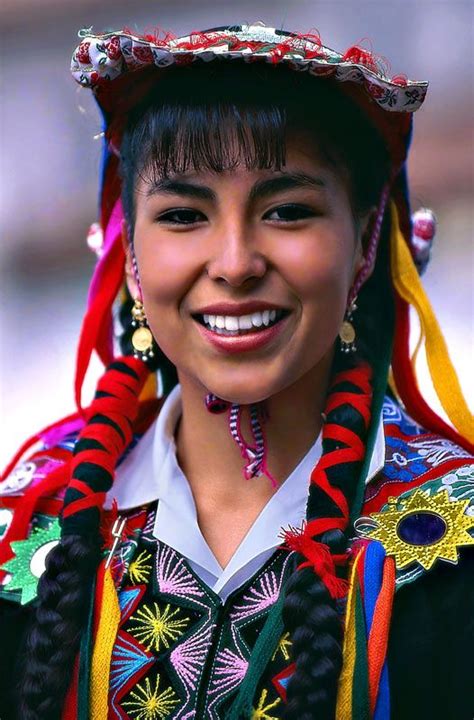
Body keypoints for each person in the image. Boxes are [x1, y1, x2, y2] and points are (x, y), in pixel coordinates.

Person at [0, 23, 473, 720]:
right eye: (185, 214)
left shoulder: (456, 533)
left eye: (287, 211)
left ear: (368, 238)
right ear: (129, 249)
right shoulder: (31, 521)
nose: (234, 262)